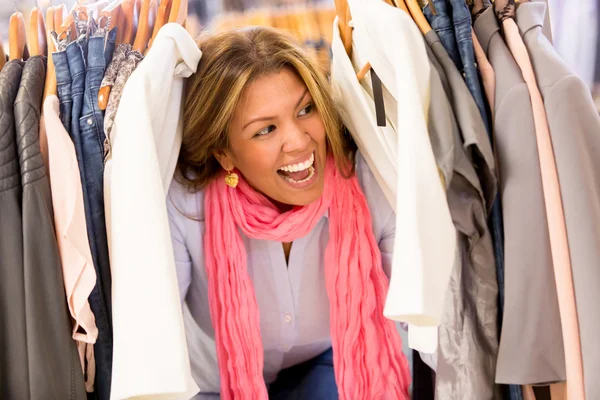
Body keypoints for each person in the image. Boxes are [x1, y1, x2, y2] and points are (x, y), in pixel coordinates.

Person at [167, 27, 411, 399]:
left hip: (334, 361)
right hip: (214, 377)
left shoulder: (371, 182)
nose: (298, 141)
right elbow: (154, 329)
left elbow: (422, 313)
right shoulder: (184, 203)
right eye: (265, 130)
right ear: (224, 154)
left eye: (306, 109)